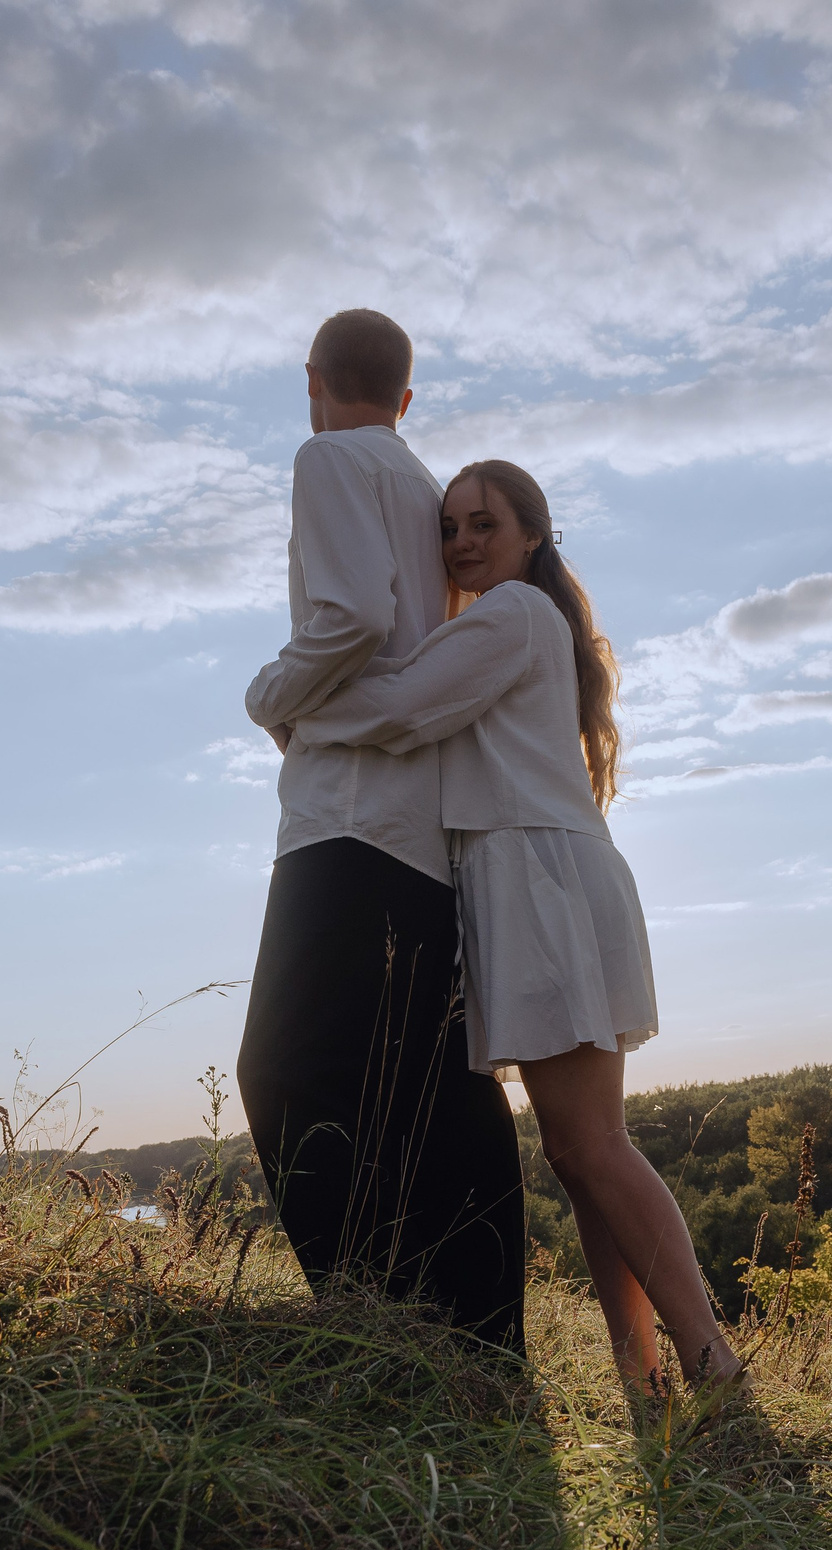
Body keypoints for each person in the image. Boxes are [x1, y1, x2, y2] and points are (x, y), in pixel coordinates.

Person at [290, 460, 746, 1392]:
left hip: (536, 879)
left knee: (592, 1145)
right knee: (579, 1156)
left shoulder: (510, 614)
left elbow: (403, 708)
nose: (460, 542)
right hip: (530, 877)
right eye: (449, 528)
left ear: (531, 535)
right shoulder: (510, 619)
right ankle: (643, 1377)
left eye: (482, 525)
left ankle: (713, 1365)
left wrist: (288, 707)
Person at [239, 311, 526, 1354]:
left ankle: (373, 1323)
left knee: (286, 1072)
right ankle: (484, 1340)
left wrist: (270, 691)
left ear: (311, 379)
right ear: (407, 396)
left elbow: (352, 614)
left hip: (346, 816)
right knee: (433, 1086)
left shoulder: (328, 458)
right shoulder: (427, 489)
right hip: (428, 828)